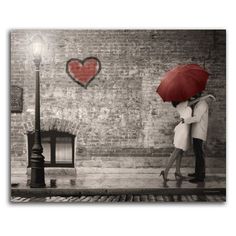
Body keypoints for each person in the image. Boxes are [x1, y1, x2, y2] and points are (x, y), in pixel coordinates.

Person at [160, 94, 214, 182]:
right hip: (183, 129)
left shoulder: (183, 103)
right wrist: (207, 95)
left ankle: (177, 171)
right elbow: (196, 100)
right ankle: (165, 172)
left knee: (180, 152)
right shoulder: (182, 104)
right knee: (176, 151)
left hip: (186, 129)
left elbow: (195, 103)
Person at [182, 93, 216, 183]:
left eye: (194, 95)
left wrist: (185, 121)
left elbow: (197, 118)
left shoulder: (202, 104)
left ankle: (200, 177)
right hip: (197, 132)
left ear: (198, 95)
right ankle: (198, 173)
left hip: (199, 132)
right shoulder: (199, 103)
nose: (192, 96)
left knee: (199, 154)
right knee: (198, 154)